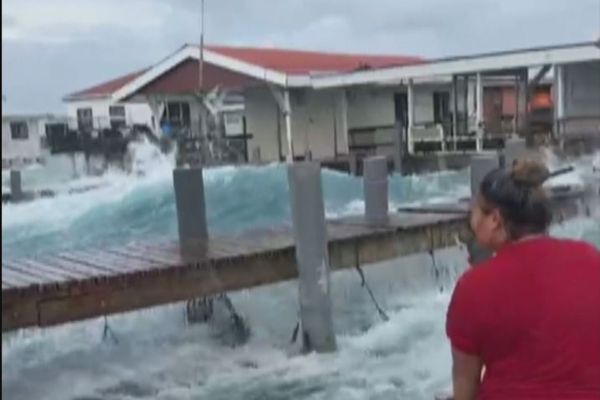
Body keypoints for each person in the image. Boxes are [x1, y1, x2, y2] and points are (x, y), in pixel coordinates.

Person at [446, 159, 600, 400]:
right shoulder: (591, 258)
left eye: (474, 209)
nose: (471, 217)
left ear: (495, 219)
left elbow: (465, 385)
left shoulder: (474, 286)